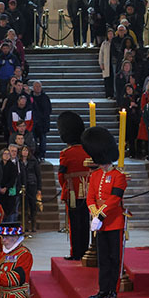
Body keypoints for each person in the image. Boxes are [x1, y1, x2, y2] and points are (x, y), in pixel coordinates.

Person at [84, 127, 127, 298]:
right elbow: (90, 197)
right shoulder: (95, 176)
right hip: (100, 223)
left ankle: (112, 290)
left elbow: (115, 199)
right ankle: (103, 289)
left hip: (114, 222)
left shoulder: (119, 176)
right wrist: (94, 214)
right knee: (102, 258)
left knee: (114, 258)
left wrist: (100, 215)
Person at [58, 112, 91, 261]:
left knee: (74, 224)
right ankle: (85, 250)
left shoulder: (66, 153)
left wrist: (65, 188)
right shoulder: (87, 150)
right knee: (85, 222)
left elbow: (61, 175)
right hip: (88, 191)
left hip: (72, 192)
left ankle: (76, 252)